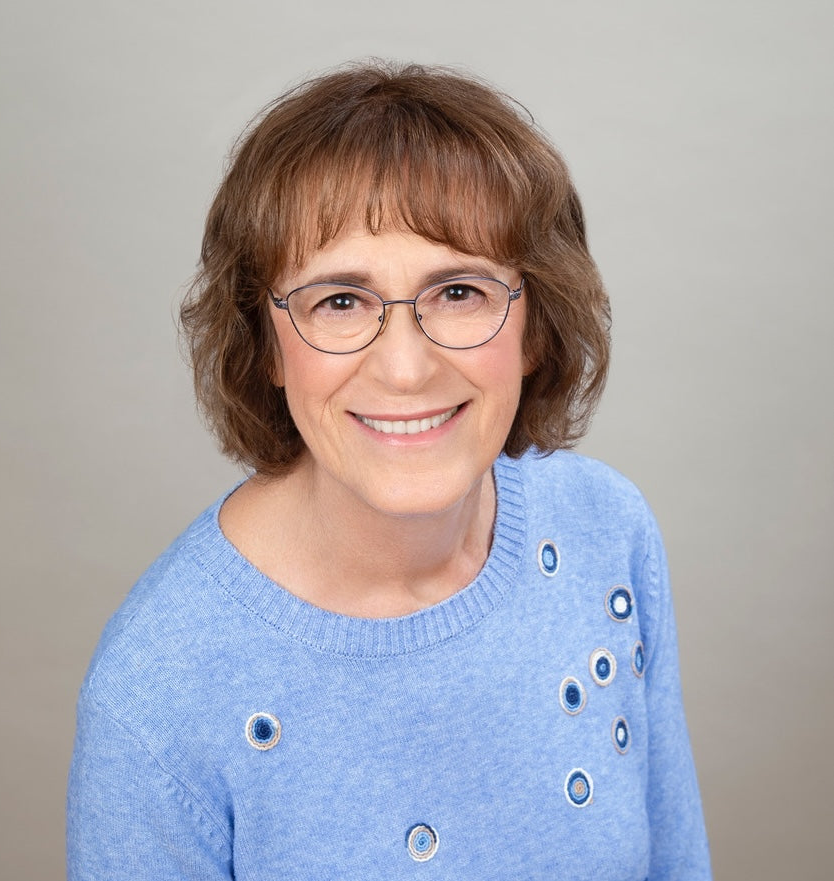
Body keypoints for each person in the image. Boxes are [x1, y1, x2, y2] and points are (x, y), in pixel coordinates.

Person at [67, 62, 712, 879]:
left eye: (459, 291)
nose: (405, 368)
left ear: (537, 321)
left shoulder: (604, 532)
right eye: (339, 300)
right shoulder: (155, 693)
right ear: (264, 343)